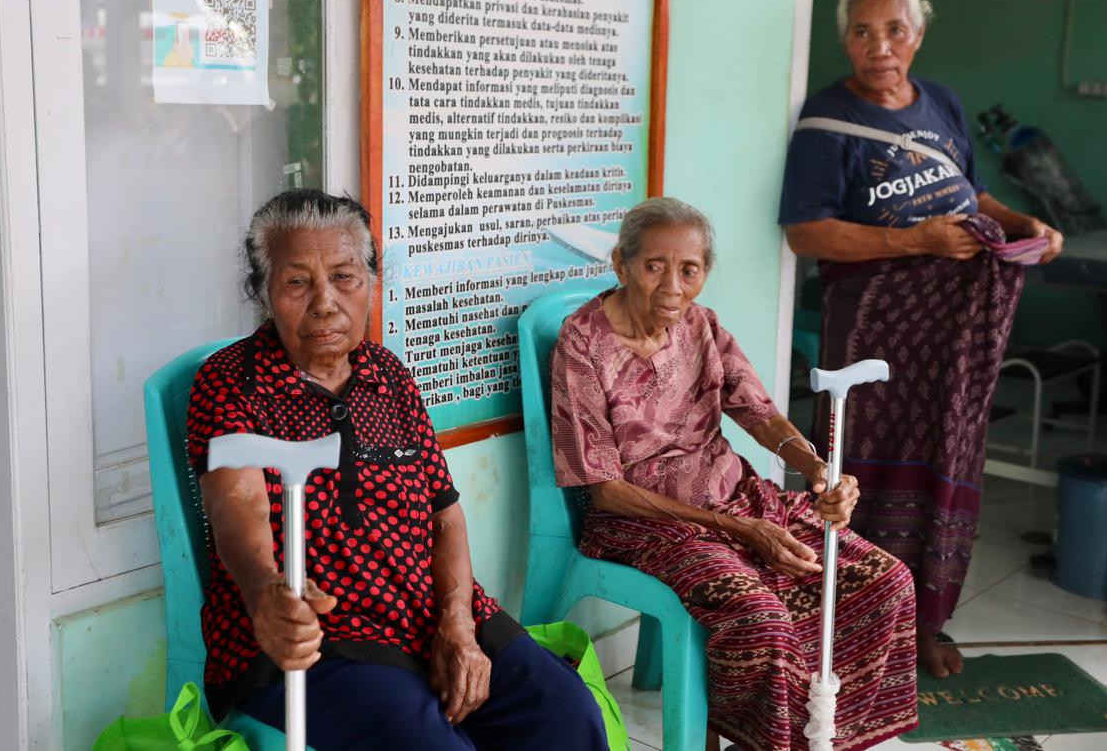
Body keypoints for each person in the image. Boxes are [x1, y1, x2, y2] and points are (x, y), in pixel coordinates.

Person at [187, 190, 608, 750]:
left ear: (370, 284)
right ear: (264, 293)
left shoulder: (389, 375)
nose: (324, 303)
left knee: (565, 711)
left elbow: (445, 515)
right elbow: (237, 503)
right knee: (427, 742)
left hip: (424, 612)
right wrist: (267, 592)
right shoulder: (231, 381)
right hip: (317, 639)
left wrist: (458, 623)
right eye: (296, 283)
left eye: (344, 277)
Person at [551, 197, 918, 751]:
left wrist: (819, 470)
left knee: (885, 580)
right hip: (644, 523)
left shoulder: (702, 325)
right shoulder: (582, 344)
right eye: (654, 266)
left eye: (689, 269)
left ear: (706, 273)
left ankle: (827, 735)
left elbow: (757, 410)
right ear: (621, 265)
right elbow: (605, 490)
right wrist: (742, 533)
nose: (673, 285)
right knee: (761, 621)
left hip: (738, 497)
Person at [779, 0, 1063, 678]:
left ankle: (926, 624)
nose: (879, 46)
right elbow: (806, 233)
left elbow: (974, 193)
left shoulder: (942, 103)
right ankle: (845, 622)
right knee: (856, 467)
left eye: (894, 29)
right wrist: (917, 242)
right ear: (844, 39)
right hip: (874, 326)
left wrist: (1024, 224)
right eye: (862, 31)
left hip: (952, 336)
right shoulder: (825, 124)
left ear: (919, 34)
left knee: (945, 458)